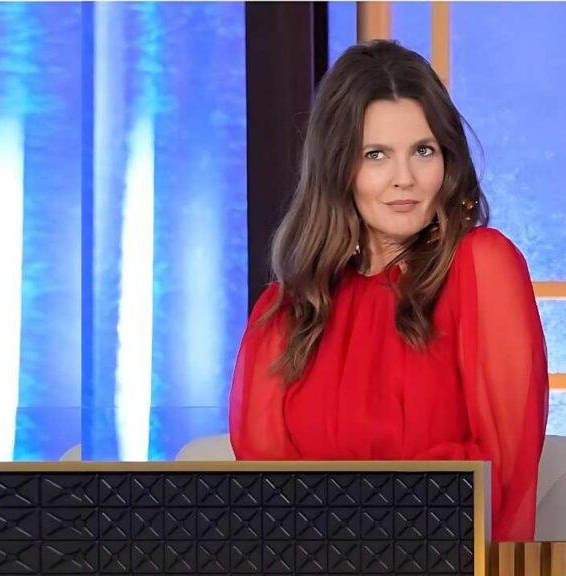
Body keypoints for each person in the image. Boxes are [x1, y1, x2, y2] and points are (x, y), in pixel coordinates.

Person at [229, 40, 549, 542]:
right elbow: (265, 505)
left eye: (423, 151)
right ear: (338, 169)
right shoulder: (286, 311)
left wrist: (334, 514)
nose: (406, 179)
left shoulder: (483, 267)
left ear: (447, 159)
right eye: (376, 155)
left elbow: (494, 477)